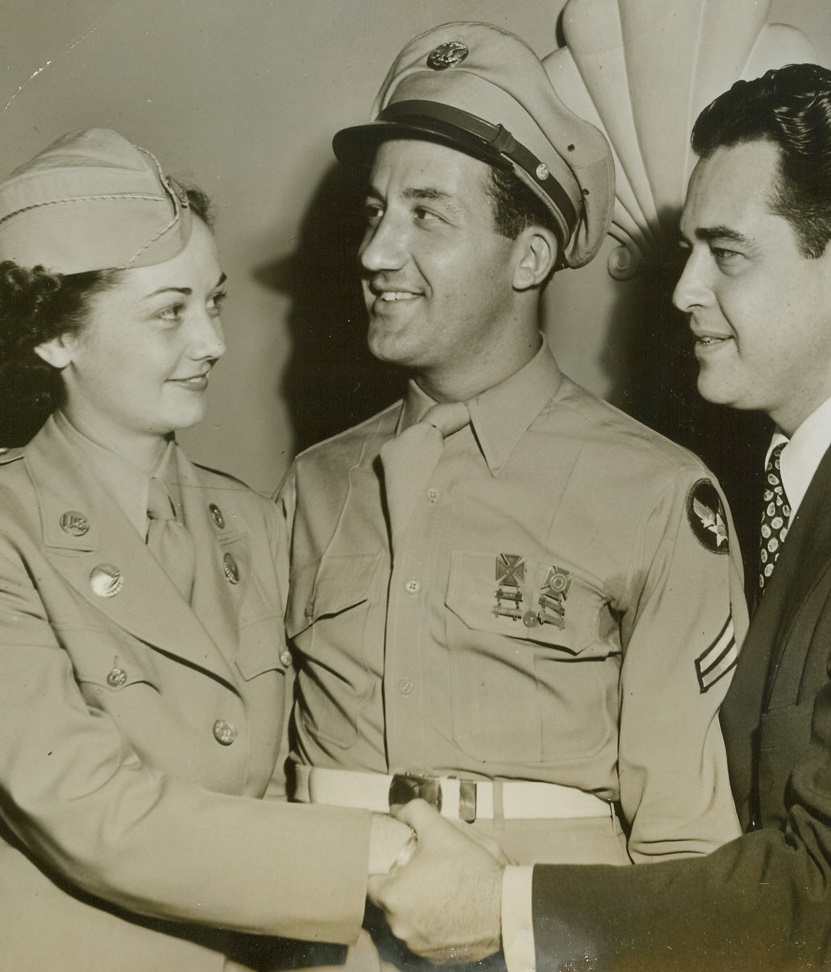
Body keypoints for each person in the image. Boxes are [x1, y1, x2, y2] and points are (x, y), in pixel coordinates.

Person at [366, 63, 831, 972]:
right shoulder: (818, 470)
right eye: (689, 249)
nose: (683, 290)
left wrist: (511, 907)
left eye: (728, 252)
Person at [276, 21, 748, 970]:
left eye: (426, 215)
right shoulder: (313, 483)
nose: (375, 253)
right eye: (375, 213)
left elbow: (685, 852)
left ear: (529, 258)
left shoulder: (656, 493)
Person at [0, 128, 413, 972]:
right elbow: (90, 808)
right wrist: (375, 861)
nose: (210, 342)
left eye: (213, 302)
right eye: (169, 312)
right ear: (56, 339)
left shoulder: (251, 521)